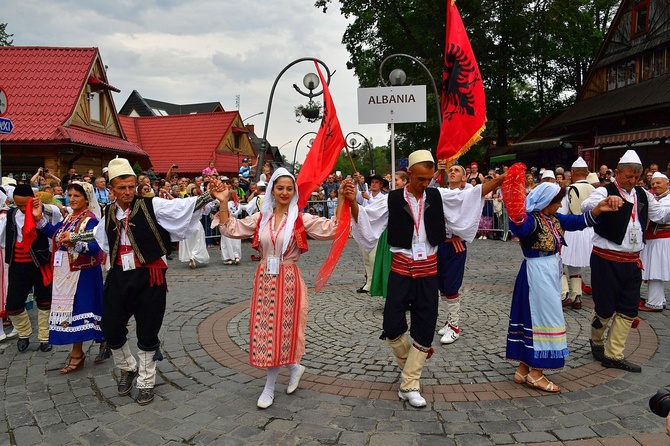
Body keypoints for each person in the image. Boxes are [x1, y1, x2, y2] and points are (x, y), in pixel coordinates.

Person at [344, 150, 504, 408]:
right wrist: (352, 201)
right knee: (392, 326)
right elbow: (366, 218)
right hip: (400, 270)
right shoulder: (393, 199)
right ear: (409, 176)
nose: (425, 184)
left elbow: (470, 196)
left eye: (429, 178)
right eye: (420, 179)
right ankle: (411, 367)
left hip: (429, 271)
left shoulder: (437, 195)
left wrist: (502, 180)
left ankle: (410, 383)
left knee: (425, 325)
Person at [64, 157, 225, 405]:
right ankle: (128, 367)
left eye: (131, 186)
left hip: (149, 275)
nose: (128, 192)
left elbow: (184, 207)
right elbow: (97, 234)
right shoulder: (108, 211)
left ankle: (147, 379)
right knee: (110, 326)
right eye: (122, 188)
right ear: (111, 189)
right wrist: (73, 236)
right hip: (118, 274)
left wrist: (208, 196)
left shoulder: (152, 205)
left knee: (147, 330)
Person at [218, 167, 343, 409]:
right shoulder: (261, 218)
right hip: (265, 278)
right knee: (265, 331)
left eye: (289, 188)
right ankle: (294, 368)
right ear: (272, 190)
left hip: (288, 277)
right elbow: (230, 229)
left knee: (282, 332)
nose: (284, 192)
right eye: (280, 188)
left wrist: (342, 200)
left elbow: (333, 228)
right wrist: (224, 202)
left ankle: (269, 387)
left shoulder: (300, 219)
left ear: (294, 191)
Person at [506, 183, 620, 392]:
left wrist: (597, 209)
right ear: (545, 202)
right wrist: (515, 210)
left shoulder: (553, 218)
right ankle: (536, 373)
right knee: (545, 318)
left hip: (547, 271)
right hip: (536, 273)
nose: (560, 205)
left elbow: (578, 221)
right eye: (557, 201)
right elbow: (519, 227)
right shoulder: (531, 220)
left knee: (531, 316)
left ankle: (523, 367)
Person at [582, 150, 670, 373]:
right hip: (606, 259)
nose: (632, 181)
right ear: (618, 173)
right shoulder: (604, 190)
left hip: (632, 261)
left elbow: (660, 215)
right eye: (628, 177)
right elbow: (587, 206)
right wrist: (603, 202)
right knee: (604, 307)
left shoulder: (643, 194)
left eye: (636, 177)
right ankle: (597, 340)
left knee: (629, 309)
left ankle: (613, 354)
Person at [33, 182, 105, 373]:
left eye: (76, 196)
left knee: (80, 310)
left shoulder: (90, 221)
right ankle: (105, 339)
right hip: (65, 272)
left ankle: (77, 352)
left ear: (87, 199)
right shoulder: (68, 218)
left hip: (84, 273)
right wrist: (39, 219)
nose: (72, 199)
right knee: (77, 311)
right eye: (70, 195)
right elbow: (54, 234)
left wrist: (75, 243)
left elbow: (97, 247)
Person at [0, 184, 63, 352]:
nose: (21, 208)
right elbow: (5, 238)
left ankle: (44, 337)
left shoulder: (49, 211)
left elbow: (58, 230)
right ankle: (24, 333)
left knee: (44, 301)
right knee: (13, 304)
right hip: (18, 264)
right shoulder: (11, 214)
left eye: (24, 204)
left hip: (40, 261)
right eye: (18, 204)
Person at [436, 163, 470, 344]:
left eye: (457, 170)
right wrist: (440, 169)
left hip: (456, 245)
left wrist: (461, 234)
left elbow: (470, 218)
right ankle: (449, 322)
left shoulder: (467, 195)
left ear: (464, 178)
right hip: (441, 243)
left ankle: (455, 326)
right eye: (451, 170)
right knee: (441, 284)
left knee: (451, 285)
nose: (453, 172)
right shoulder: (441, 193)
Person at [557, 157, 595, 309]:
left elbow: (562, 212)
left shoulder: (569, 190)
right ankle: (577, 295)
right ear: (586, 173)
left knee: (561, 262)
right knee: (576, 265)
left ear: (572, 173)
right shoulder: (595, 190)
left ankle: (564, 293)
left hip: (572, 230)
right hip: (589, 230)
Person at [640, 172, 670, 312]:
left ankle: (655, 302)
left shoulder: (668, 199)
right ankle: (660, 299)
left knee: (656, 270)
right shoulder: (656, 198)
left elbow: (660, 217)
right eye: (653, 183)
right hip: (653, 239)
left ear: (667, 183)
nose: (655, 186)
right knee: (653, 269)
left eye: (659, 183)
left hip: (662, 239)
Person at [355, 173, 388, 294]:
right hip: (364, 230)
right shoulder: (364, 195)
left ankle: (376, 281)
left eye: (376, 182)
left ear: (381, 185)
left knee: (373, 257)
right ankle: (369, 282)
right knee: (366, 258)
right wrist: (356, 180)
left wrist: (369, 199)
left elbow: (377, 210)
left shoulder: (384, 197)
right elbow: (354, 195)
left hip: (376, 231)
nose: (374, 184)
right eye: (372, 182)